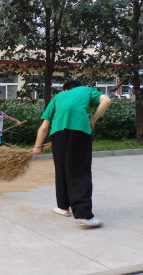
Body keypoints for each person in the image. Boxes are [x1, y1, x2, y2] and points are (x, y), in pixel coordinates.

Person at [33, 80, 111, 229]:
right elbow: (106, 100)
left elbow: (44, 126)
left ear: (65, 89)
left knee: (62, 170)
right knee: (79, 171)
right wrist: (93, 119)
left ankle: (63, 207)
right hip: (79, 132)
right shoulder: (85, 90)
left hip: (58, 136)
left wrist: (37, 146)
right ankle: (85, 216)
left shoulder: (58, 97)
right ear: (76, 87)